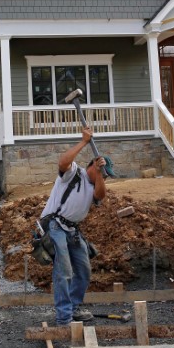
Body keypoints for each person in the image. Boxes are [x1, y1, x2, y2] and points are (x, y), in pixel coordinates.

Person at [39, 127, 107, 326]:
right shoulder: (74, 173)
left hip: (72, 230)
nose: (104, 178)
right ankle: (64, 318)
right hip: (55, 225)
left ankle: (74, 306)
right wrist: (84, 142)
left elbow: (101, 196)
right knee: (64, 271)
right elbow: (62, 162)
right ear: (92, 166)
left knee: (84, 269)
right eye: (102, 173)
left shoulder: (95, 185)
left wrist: (101, 174)